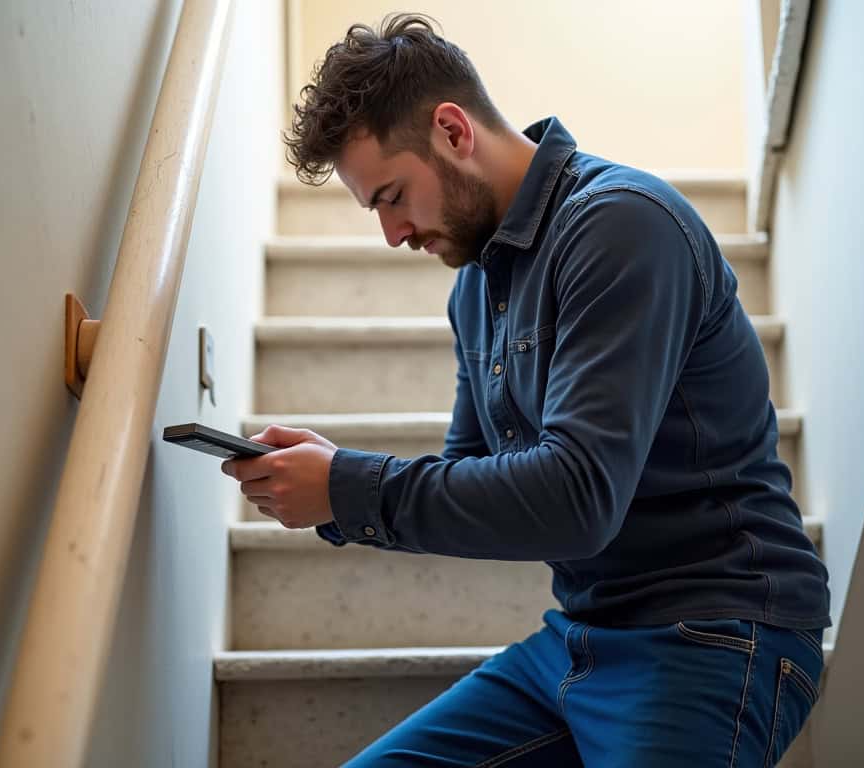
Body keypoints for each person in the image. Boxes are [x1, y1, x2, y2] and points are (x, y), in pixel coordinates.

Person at [222, 13, 831, 767]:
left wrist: (347, 486)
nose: (393, 234)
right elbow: (473, 476)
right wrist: (333, 483)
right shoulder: (475, 287)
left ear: (453, 131)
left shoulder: (621, 226)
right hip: (578, 641)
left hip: (714, 630)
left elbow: (575, 501)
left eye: (392, 196)